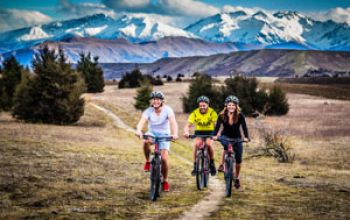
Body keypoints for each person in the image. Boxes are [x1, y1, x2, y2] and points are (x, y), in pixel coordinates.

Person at [136, 91, 178, 192]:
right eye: (154, 99)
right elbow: (141, 122)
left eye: (158, 99)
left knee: (163, 159)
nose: (156, 101)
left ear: (162, 101)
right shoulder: (148, 111)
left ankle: (165, 180)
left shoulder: (168, 110)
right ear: (151, 101)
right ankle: (147, 161)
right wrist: (138, 131)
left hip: (164, 135)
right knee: (145, 142)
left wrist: (175, 133)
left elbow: (173, 123)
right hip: (152, 133)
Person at [213, 95, 250, 189]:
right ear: (226, 105)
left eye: (233, 105)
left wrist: (246, 137)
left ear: (236, 106)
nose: (231, 107)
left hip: (237, 138)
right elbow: (217, 127)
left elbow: (244, 127)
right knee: (226, 146)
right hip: (225, 136)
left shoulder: (240, 115)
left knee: (238, 159)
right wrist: (214, 136)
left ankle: (237, 177)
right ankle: (224, 164)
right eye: (229, 105)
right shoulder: (221, 115)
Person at [183, 95, 218, 176]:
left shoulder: (212, 112)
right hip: (199, 132)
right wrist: (186, 132)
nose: (202, 107)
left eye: (204, 105)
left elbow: (216, 125)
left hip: (210, 132)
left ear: (207, 105)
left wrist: (217, 134)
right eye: (200, 105)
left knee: (208, 145)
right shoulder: (195, 113)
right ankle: (195, 166)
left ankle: (212, 163)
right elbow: (188, 125)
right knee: (196, 145)